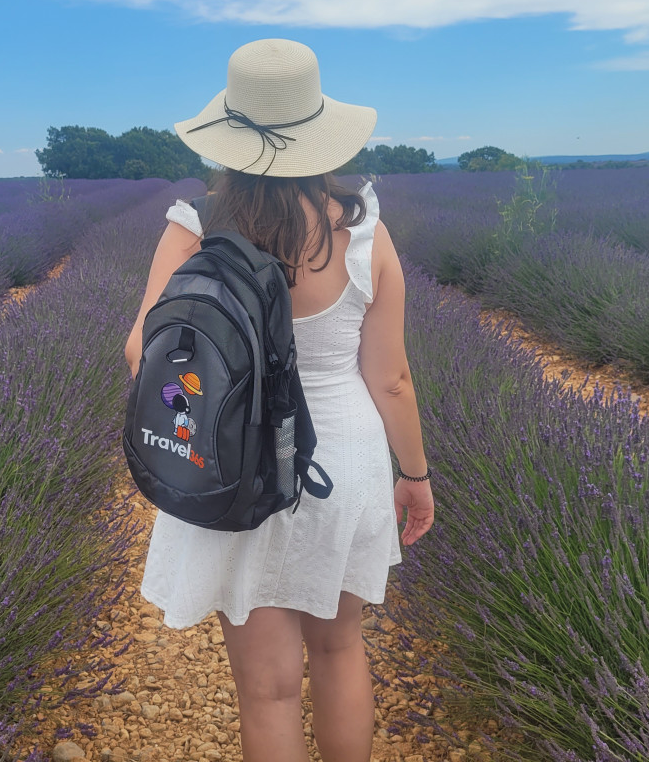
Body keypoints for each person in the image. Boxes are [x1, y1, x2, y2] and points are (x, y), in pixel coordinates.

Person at [124, 38, 434, 762]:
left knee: (266, 691)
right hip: (344, 464)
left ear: (230, 136)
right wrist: (414, 475)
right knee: (339, 652)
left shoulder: (195, 225)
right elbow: (392, 378)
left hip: (241, 463)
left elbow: (143, 352)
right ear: (318, 128)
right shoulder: (364, 232)